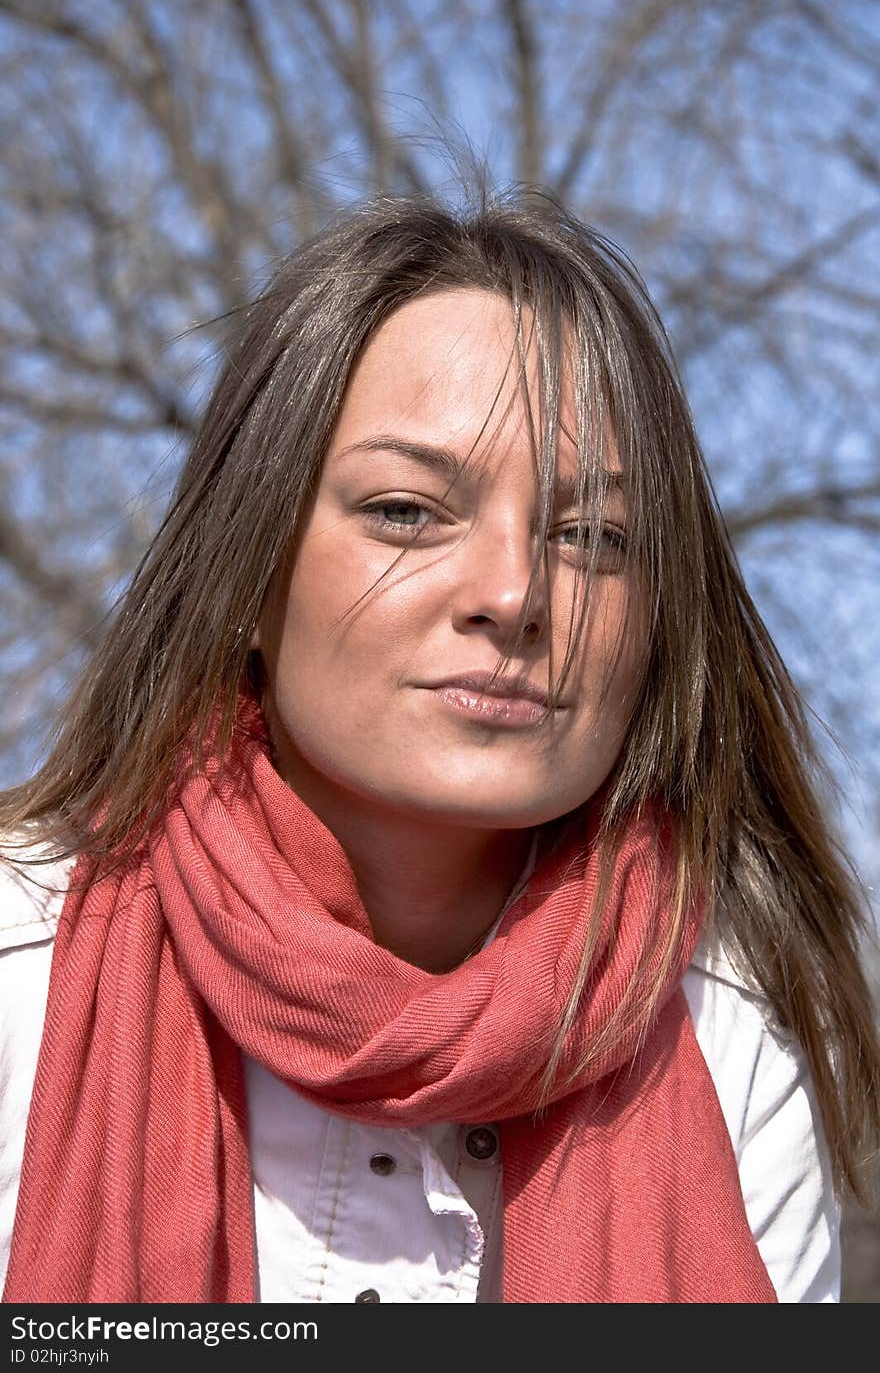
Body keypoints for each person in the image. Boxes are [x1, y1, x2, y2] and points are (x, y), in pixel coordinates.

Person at [1, 190, 878, 1305]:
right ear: (246, 572)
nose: (513, 595)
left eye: (592, 536)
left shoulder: (729, 1045)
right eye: (408, 511)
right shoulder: (20, 980)